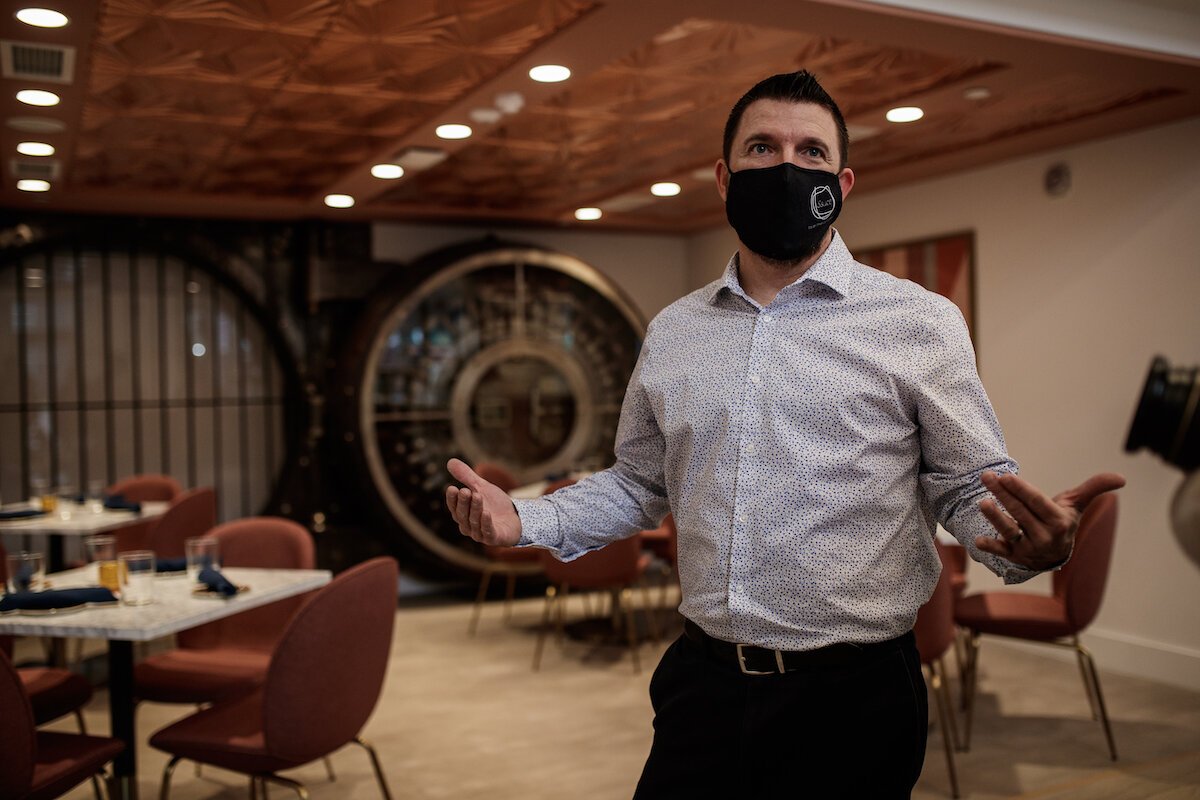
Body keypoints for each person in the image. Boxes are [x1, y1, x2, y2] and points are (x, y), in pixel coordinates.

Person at [445, 70, 1125, 798]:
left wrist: (1024, 546)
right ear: (723, 175)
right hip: (702, 686)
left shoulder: (918, 323)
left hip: (854, 698)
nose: (786, 168)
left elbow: (964, 485)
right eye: (762, 148)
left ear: (843, 179)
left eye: (810, 152)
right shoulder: (674, 331)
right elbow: (640, 484)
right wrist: (527, 518)